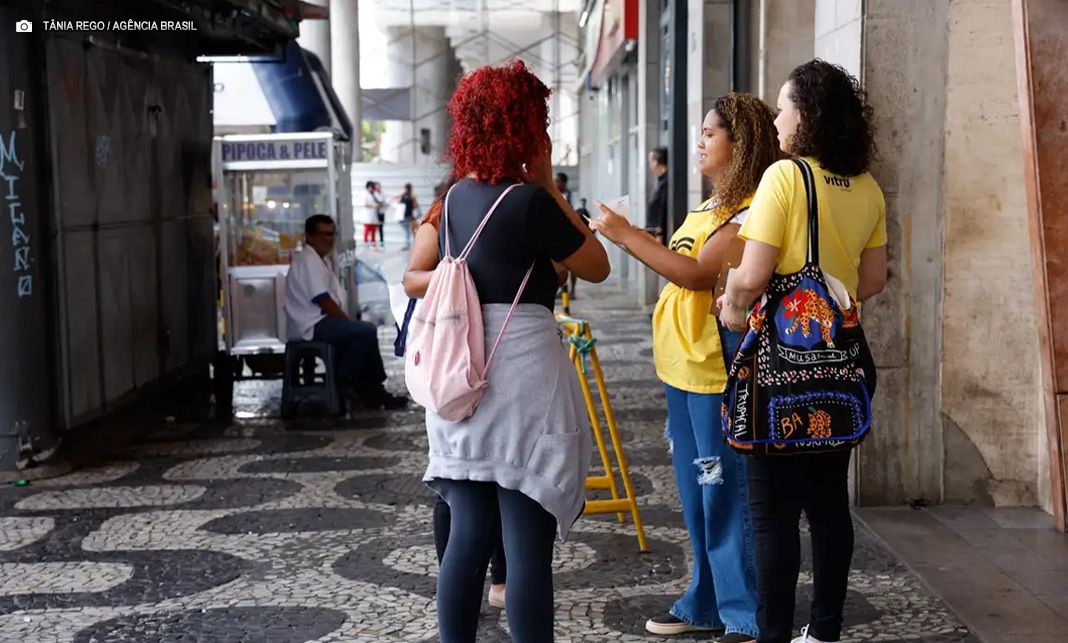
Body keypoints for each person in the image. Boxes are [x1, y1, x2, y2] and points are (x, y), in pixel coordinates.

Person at [403, 60, 610, 643]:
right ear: (527, 127)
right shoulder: (530, 203)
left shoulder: (455, 199)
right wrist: (546, 183)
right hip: (522, 374)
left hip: (459, 372)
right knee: (525, 546)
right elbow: (595, 266)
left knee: (467, 532)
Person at [593, 93, 783, 643]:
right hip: (681, 371)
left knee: (722, 490)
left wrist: (628, 237)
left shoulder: (751, 210)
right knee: (697, 492)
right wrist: (635, 239)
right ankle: (704, 599)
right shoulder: (709, 206)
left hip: (716, 374)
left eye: (709, 133)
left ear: (739, 144)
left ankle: (743, 611)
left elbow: (697, 274)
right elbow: (678, 263)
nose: (698, 142)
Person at [716, 60, 888, 643]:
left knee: (772, 515)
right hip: (838, 368)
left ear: (806, 116)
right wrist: (825, 288)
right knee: (828, 506)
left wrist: (733, 301)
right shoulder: (867, 187)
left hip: (781, 372)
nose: (778, 118)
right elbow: (873, 279)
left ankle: (771, 636)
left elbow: (754, 272)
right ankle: (824, 632)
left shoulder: (784, 178)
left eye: (784, 108)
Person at [284, 214, 408, 410]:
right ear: (309, 235)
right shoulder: (308, 260)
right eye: (322, 234)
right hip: (312, 324)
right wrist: (346, 321)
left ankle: (368, 388)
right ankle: (345, 381)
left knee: (361, 333)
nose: (328, 239)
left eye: (331, 234)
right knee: (364, 331)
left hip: (318, 321)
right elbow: (322, 299)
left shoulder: (318, 258)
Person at [647, 147, 669, 244]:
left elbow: (663, 209)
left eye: (650, 161)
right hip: (654, 233)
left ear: (656, 162)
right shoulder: (661, 181)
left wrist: (660, 234)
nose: (650, 165)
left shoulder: (666, 182)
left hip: (659, 236)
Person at [396, 183, 420, 249]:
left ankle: (409, 245)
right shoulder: (410, 196)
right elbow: (415, 205)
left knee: (408, 231)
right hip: (409, 216)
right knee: (411, 231)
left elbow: (398, 202)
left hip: (407, 216)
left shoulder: (407, 196)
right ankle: (411, 244)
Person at [359, 181, 380, 247]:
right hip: (367, 215)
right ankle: (365, 242)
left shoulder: (373, 194)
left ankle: (373, 243)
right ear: (368, 187)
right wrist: (373, 206)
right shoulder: (364, 194)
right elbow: (364, 204)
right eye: (371, 187)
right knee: (367, 229)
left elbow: (379, 201)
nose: (372, 189)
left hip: (373, 214)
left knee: (373, 229)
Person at [374, 182, 387, 246]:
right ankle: (374, 243)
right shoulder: (374, 194)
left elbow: (384, 202)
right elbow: (378, 202)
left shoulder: (382, 193)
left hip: (381, 213)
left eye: (379, 186)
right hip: (375, 213)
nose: (378, 187)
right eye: (377, 186)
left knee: (381, 228)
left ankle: (381, 242)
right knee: (375, 228)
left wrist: (382, 204)